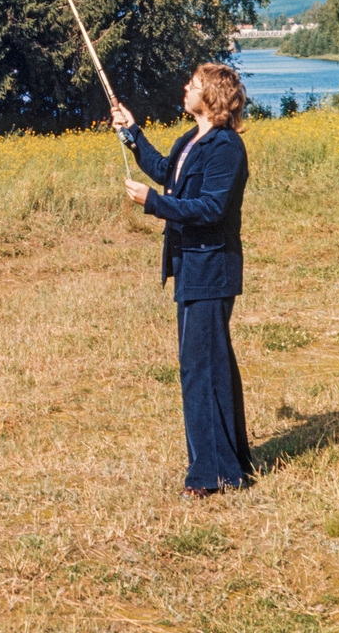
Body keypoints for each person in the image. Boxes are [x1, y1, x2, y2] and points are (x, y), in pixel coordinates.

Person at [112, 64, 252, 497]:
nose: (185, 88)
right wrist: (132, 134)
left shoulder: (226, 148)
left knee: (201, 369)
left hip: (212, 269)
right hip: (190, 266)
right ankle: (231, 465)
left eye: (192, 84)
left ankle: (210, 475)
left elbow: (210, 208)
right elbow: (164, 172)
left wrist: (153, 204)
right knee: (212, 366)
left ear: (210, 95)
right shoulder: (190, 141)